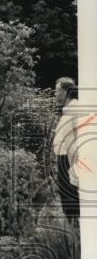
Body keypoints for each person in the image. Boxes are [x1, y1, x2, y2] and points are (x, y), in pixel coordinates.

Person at [52, 77, 80, 220]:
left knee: (71, 203)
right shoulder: (68, 110)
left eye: (57, 91)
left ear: (65, 92)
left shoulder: (74, 110)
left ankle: (78, 238)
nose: (55, 94)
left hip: (69, 161)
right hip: (64, 160)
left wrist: (73, 169)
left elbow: (75, 141)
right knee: (68, 202)